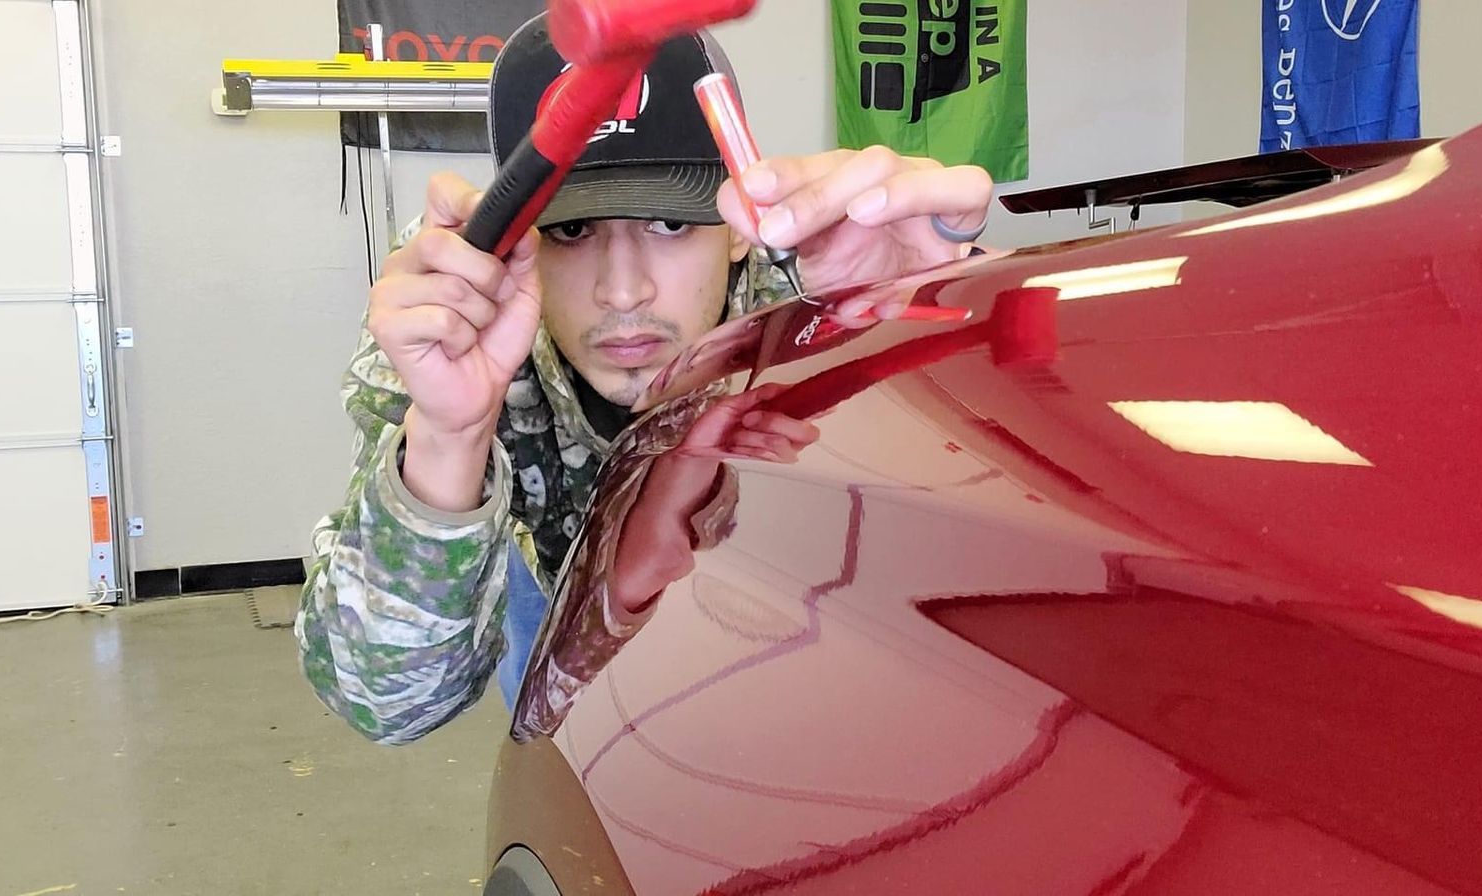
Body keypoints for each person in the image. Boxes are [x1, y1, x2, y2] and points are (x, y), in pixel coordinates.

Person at [295, 15, 994, 745]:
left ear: (736, 227)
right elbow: (388, 709)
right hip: (554, 568)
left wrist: (922, 336)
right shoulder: (459, 317)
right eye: (571, 230)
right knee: (552, 704)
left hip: (768, 609)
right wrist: (449, 437)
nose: (623, 292)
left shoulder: (818, 288)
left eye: (667, 223)